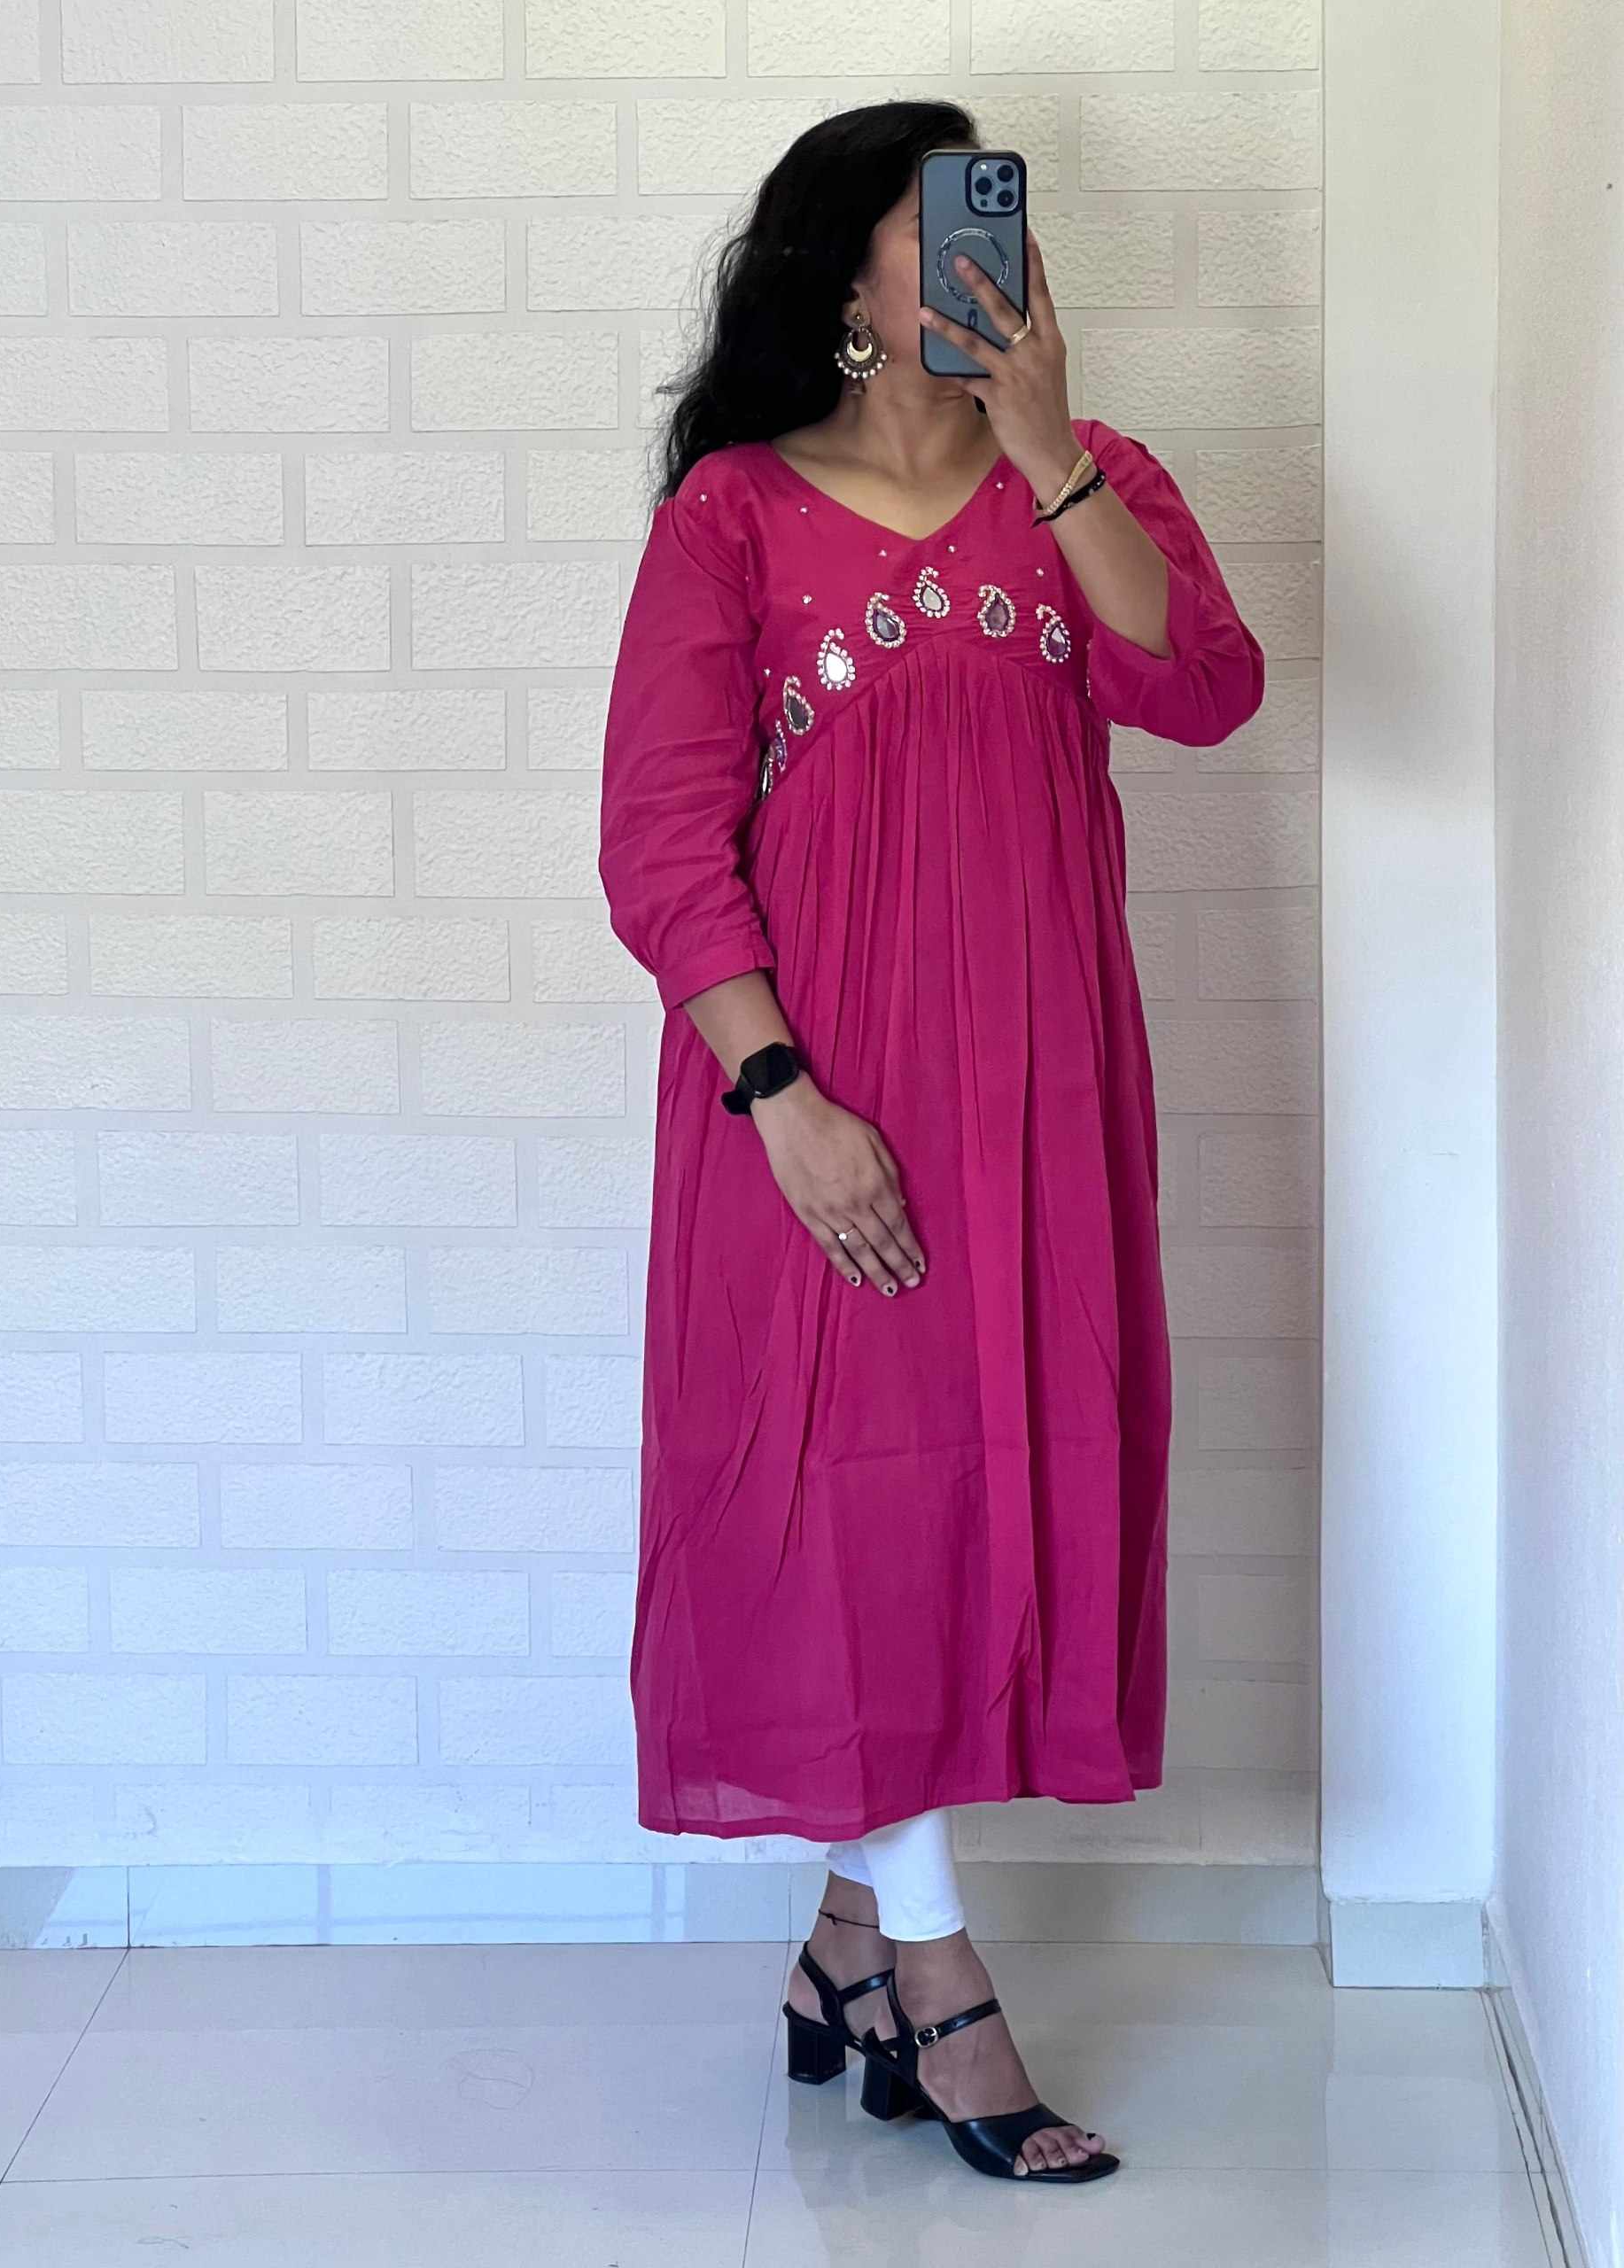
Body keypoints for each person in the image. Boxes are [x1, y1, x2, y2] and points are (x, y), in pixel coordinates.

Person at [596, 101, 1265, 2186]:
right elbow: (659, 840)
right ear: (847, 279)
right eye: (934, 224)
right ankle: (941, 1980)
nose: (984, 253)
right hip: (819, 1099)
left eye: (999, 218)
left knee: (979, 1501)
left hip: (1039, 1092)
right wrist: (780, 1099)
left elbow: (1203, 683)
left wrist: (1051, 444)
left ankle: (840, 1951)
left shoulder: (1089, 480)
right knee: (854, 1517)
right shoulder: (734, 515)